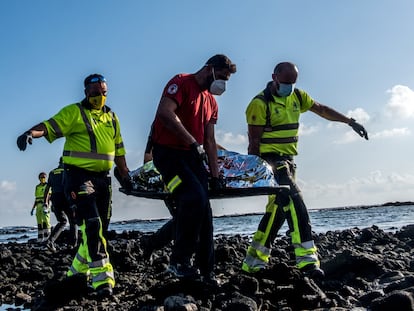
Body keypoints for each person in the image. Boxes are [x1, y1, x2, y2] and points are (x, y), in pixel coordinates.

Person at [242, 62, 368, 278]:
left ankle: (253, 263)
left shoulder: (298, 97)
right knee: (294, 201)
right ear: (274, 77)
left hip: (289, 161)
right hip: (271, 162)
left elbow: (321, 109)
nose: (289, 86)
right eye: (285, 82)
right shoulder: (260, 103)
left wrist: (350, 121)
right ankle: (307, 260)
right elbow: (254, 143)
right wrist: (257, 175)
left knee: (277, 212)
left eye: (293, 82)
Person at [17, 73, 131, 297]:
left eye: (104, 93)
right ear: (86, 93)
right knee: (91, 223)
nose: (100, 97)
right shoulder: (74, 113)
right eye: (96, 94)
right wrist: (30, 133)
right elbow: (49, 126)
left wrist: (126, 175)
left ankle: (77, 269)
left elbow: (119, 150)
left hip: (103, 179)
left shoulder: (112, 118)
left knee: (100, 228)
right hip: (78, 176)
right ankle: (103, 279)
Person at [150, 54, 236, 283]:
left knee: (204, 210)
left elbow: (209, 140)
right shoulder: (181, 82)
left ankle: (207, 271)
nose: (223, 83)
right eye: (222, 77)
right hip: (168, 155)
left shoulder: (212, 103)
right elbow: (165, 114)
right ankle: (179, 261)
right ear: (209, 69)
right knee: (193, 198)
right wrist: (191, 142)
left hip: (192, 157)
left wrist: (216, 176)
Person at [43, 157, 78, 252]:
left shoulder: (52, 172)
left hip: (55, 199)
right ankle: (72, 245)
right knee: (73, 221)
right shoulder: (67, 171)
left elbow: (47, 189)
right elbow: (71, 186)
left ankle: (50, 241)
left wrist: (45, 202)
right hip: (65, 198)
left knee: (62, 221)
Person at [31, 172, 51, 243]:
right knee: (39, 222)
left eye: (44, 177)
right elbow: (36, 198)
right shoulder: (37, 187)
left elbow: (49, 196)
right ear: (39, 178)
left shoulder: (48, 185)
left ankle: (47, 237)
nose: (43, 179)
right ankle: (40, 238)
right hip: (38, 205)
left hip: (44, 205)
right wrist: (33, 208)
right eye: (41, 177)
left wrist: (47, 206)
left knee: (46, 220)